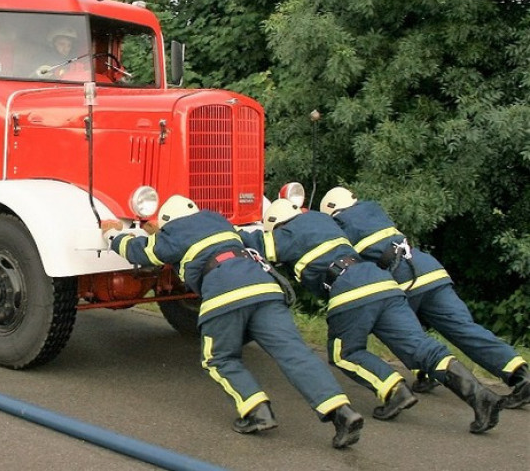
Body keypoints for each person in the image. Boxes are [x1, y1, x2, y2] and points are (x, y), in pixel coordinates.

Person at [101, 195, 365, 449]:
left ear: (168, 223)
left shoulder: (173, 234)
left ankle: (256, 411)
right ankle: (341, 412)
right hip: (265, 289)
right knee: (295, 353)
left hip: (225, 293)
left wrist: (113, 234)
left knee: (218, 358)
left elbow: (139, 251)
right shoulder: (219, 222)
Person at [243, 199, 502, 434]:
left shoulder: (285, 234)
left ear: (275, 225)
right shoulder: (325, 221)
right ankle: (480, 397)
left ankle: (393, 390)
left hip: (349, 290)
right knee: (421, 347)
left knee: (344, 353)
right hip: (385, 283)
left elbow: (251, 243)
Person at [320, 186, 529, 409]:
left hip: (401, 277)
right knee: (465, 329)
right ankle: (520, 375)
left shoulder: (340, 224)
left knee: (403, 334)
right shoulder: (373, 209)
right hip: (430, 270)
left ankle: (426, 374)